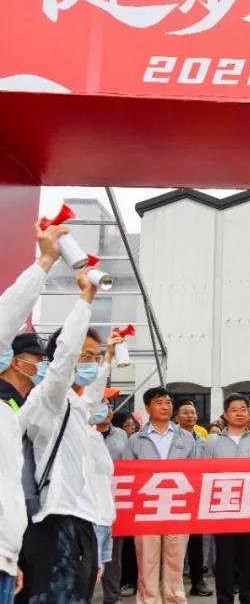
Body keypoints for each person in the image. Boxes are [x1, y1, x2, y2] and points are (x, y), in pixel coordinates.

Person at [18, 268, 117, 604]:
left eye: (94, 357)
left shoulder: (76, 404)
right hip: (57, 519)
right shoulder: (49, 399)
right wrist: (86, 298)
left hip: (85, 520)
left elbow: (93, 397)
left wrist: (107, 360)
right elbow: (63, 359)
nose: (90, 363)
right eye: (84, 357)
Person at [0, 225, 67, 604]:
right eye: (36, 359)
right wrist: (44, 262)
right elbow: (8, 313)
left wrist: (10, 556)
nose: (41, 365)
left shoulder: (12, 411)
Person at [125, 387, 201, 604]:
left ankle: (174, 598)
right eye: (159, 403)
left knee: (175, 561)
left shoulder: (186, 438)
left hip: (177, 508)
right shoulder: (136, 440)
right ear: (148, 407)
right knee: (147, 561)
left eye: (168, 402)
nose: (165, 407)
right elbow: (128, 476)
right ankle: (148, 600)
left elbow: (195, 473)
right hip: (146, 510)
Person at [205, 394, 250, 604]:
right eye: (234, 410)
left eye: (243, 409)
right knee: (224, 558)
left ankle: (248, 599)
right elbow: (203, 473)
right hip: (223, 508)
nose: (239, 413)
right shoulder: (213, 442)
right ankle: (224, 600)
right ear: (226, 414)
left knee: (249, 558)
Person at [174, 399, 212, 597]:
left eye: (193, 412)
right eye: (185, 412)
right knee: (174, 544)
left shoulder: (204, 440)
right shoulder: (172, 439)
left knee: (196, 542)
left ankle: (198, 581)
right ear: (176, 417)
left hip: (198, 496)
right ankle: (173, 584)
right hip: (177, 496)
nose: (190, 415)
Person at [94, 393, 130, 604]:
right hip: (89, 501)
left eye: (108, 405)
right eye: (101, 405)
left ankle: (112, 596)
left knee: (113, 555)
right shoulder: (83, 432)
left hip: (116, 501)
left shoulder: (121, 435)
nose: (106, 410)